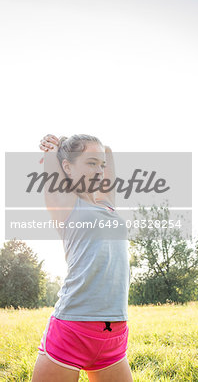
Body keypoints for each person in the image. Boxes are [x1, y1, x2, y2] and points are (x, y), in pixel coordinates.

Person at [31, 134, 133, 382]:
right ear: (67, 167)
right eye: (90, 163)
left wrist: (93, 153)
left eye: (100, 165)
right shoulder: (65, 204)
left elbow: (108, 152)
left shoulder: (107, 203)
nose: (99, 170)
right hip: (73, 328)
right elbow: (56, 163)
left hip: (114, 333)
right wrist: (55, 148)